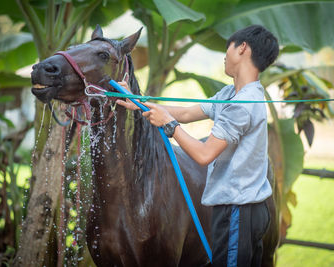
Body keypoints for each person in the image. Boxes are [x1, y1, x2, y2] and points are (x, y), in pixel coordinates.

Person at [116, 24, 279, 267]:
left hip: (239, 212)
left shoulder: (243, 104)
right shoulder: (230, 94)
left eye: (229, 47)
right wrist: (137, 103)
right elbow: (185, 112)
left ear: (242, 48)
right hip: (238, 209)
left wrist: (169, 126)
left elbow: (204, 154)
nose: (225, 55)